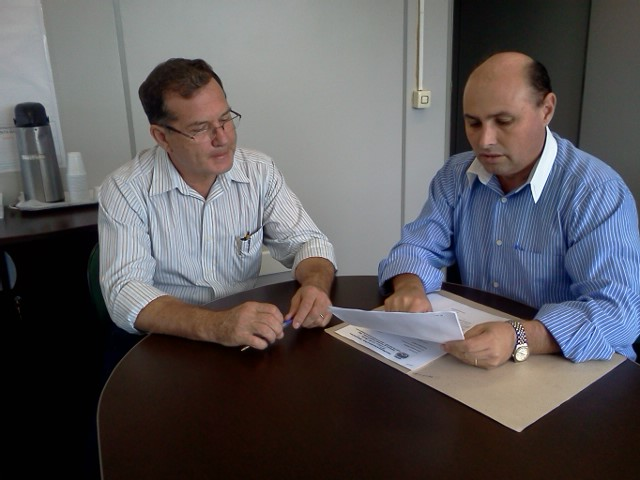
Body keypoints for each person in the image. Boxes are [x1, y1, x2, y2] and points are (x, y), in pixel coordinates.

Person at [378, 51, 640, 369]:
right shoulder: (456, 174)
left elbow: (618, 314)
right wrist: (409, 286)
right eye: (473, 123)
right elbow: (416, 247)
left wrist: (519, 336)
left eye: (504, 121)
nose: (485, 140)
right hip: (484, 353)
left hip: (575, 364)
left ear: (547, 109)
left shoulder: (595, 190)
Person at [98, 57, 337, 351]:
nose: (222, 138)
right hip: (165, 343)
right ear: (162, 137)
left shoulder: (259, 172)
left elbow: (308, 243)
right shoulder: (125, 189)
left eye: (225, 119)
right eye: (200, 129)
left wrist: (315, 285)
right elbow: (125, 293)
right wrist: (216, 325)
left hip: (242, 334)